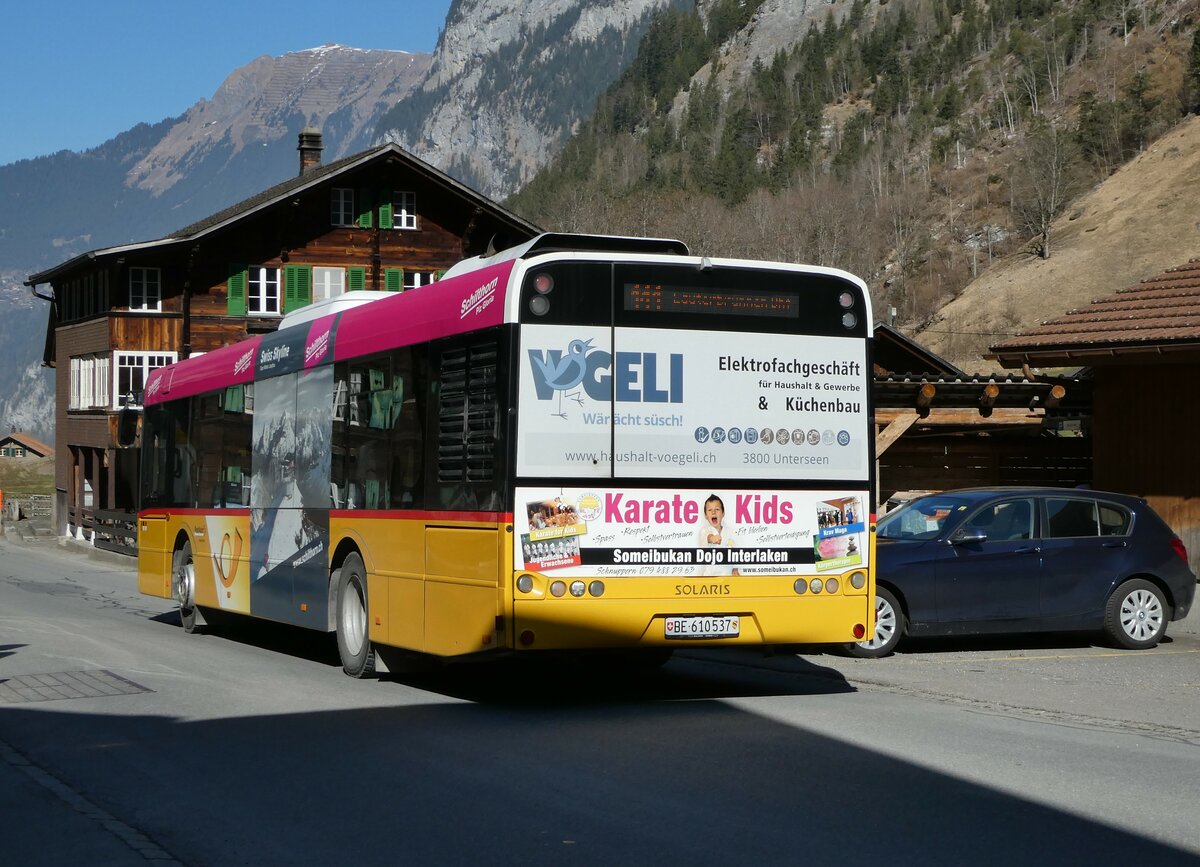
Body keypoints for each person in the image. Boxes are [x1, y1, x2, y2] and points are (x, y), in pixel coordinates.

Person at [695, 494, 739, 576]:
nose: (713, 512)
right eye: (710, 510)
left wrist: (735, 569)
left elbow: (734, 551)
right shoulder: (704, 531)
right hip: (710, 575)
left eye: (717, 509)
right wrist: (712, 539)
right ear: (705, 515)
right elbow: (707, 537)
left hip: (727, 575)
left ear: (723, 513)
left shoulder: (730, 532)